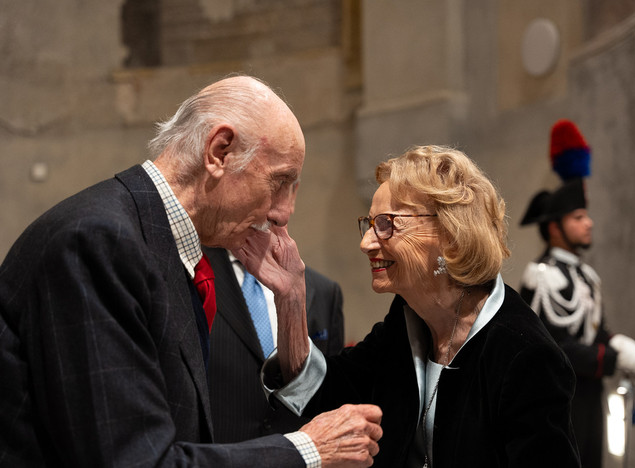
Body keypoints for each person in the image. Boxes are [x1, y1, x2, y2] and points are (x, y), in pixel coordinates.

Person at [0, 74, 382, 467]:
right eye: (279, 182)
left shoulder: (154, 242)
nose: (283, 213)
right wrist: (307, 450)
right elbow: (134, 460)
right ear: (220, 152)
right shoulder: (100, 241)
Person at [241, 144, 581, 467]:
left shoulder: (526, 354)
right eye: (369, 224)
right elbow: (325, 396)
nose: (366, 243)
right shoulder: (404, 323)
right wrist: (290, 299)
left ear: (449, 233)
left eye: (386, 224)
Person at [519, 119, 635, 468]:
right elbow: (551, 345)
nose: (588, 223)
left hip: (590, 395)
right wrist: (609, 360)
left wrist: (616, 342)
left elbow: (593, 330)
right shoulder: (540, 277)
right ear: (554, 228)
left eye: (586, 215)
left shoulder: (586, 276)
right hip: (556, 399)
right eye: (578, 216)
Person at [204, 244, 345, 442]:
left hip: (297, 453)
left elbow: (332, 396)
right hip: (214, 452)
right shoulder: (195, 272)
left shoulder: (324, 291)